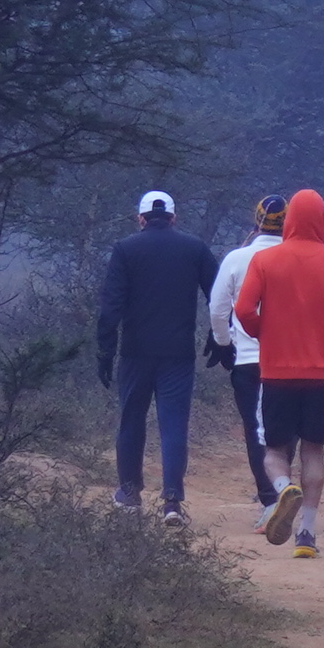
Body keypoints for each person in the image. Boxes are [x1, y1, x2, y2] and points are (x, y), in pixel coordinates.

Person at [233, 187, 324, 557]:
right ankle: (306, 534)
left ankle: (282, 487)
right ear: (323, 220)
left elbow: (243, 311)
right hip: (320, 375)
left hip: (276, 371)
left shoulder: (265, 260)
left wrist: (267, 332)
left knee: (275, 450)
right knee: (313, 450)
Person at [94, 189, 220, 525]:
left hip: (135, 352)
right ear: (173, 218)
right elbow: (219, 294)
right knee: (173, 424)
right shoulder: (194, 248)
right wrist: (219, 335)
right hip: (178, 353)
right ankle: (172, 502)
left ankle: (129, 493)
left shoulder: (125, 249)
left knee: (131, 420)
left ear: (141, 218)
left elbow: (111, 307)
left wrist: (105, 351)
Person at [208, 195, 287, 532]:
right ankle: (285, 485)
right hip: (289, 360)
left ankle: (271, 500)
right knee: (285, 427)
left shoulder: (237, 258)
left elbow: (217, 309)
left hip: (248, 360)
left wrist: (224, 343)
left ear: (256, 221)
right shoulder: (297, 258)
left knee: (256, 430)